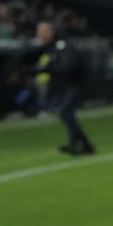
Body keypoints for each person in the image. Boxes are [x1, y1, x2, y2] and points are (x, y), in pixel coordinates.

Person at [34, 21, 94, 156]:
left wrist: (49, 68)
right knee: (67, 114)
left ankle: (75, 144)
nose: (38, 35)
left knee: (65, 112)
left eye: (41, 31)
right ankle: (87, 145)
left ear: (50, 32)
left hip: (77, 85)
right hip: (68, 87)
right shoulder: (52, 47)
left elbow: (68, 66)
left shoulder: (61, 45)